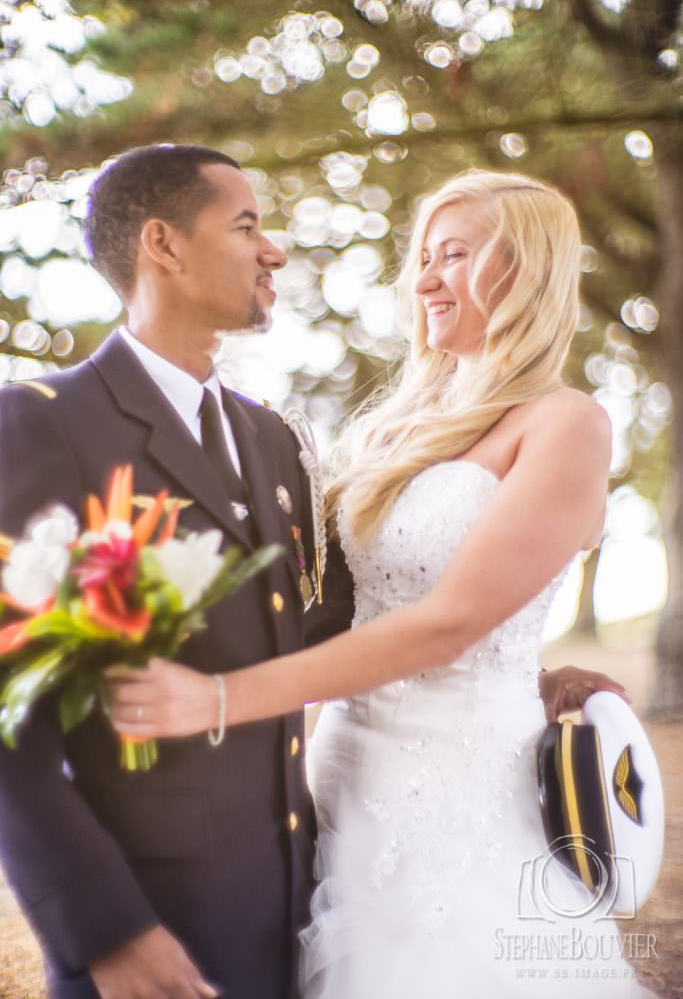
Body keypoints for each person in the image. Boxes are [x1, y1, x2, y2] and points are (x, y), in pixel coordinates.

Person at [107, 170, 652, 997]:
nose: (425, 279)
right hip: (341, 776)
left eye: (455, 255)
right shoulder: (400, 428)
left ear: (529, 270)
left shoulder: (566, 423)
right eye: (423, 258)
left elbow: (449, 625)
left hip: (463, 796)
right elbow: (349, 602)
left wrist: (220, 697)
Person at [0, 144, 353, 999]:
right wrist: (104, 931)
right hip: (148, 924)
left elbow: (330, 627)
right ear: (161, 243)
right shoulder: (41, 425)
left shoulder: (270, 436)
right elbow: (9, 715)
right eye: (246, 226)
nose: (272, 252)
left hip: (293, 905)